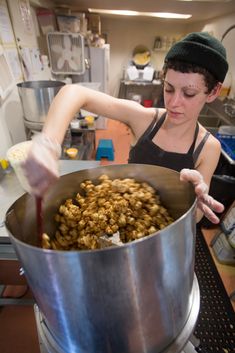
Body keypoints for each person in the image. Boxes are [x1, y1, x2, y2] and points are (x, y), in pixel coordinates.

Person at [23, 32, 228, 224]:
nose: (174, 102)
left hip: (165, 240)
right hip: (123, 224)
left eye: (189, 94)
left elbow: (198, 216)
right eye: (169, 88)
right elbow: (74, 92)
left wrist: (194, 200)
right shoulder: (143, 120)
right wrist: (48, 144)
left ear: (213, 92)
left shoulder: (208, 147)